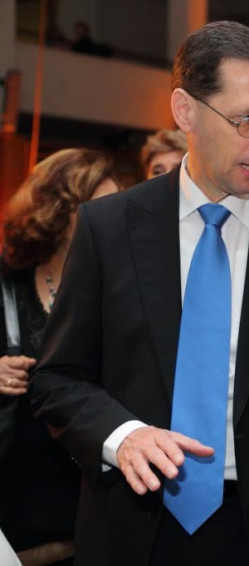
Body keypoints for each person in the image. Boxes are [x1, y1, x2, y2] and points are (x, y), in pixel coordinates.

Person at [30, 21, 249, 566]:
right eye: (248, 120)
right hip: (130, 527)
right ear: (186, 111)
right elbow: (57, 379)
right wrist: (123, 436)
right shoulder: (108, 227)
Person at [0, 148, 120, 565]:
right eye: (100, 209)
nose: (113, 221)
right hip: (14, 504)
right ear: (59, 210)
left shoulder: (125, 290)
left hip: (92, 501)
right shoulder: (8, 281)